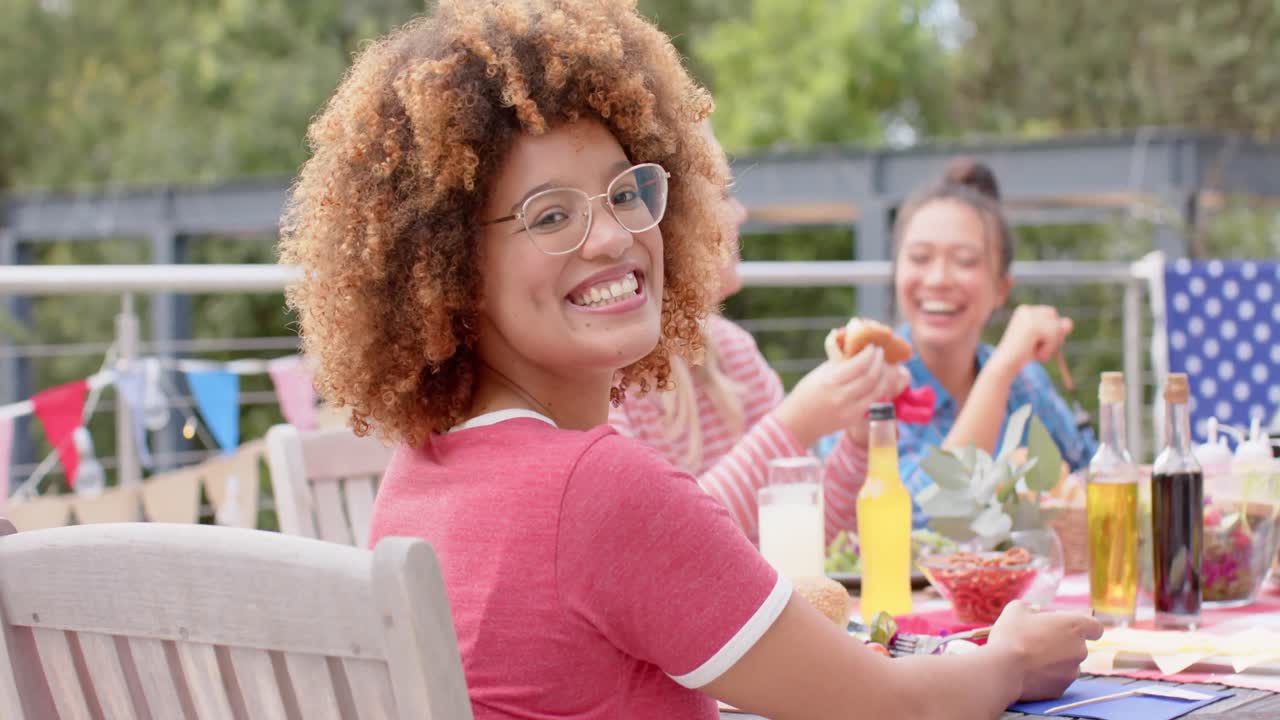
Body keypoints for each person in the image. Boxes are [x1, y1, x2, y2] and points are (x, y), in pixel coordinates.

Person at [280, 3, 1102, 718]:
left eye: (627, 192)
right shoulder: (598, 487)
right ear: (449, 267)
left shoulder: (419, 473)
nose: (612, 237)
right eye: (550, 214)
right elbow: (888, 705)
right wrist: (1015, 659)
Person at [609, 124, 907, 543]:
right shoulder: (609, 384)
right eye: (725, 196)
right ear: (669, 223)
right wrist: (794, 425)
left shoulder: (733, 349)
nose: (742, 214)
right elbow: (662, 543)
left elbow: (816, 532)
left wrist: (859, 440)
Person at [892, 159, 1100, 500]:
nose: (938, 279)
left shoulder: (1026, 382)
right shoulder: (869, 382)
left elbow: (1092, 474)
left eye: (965, 261)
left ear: (1001, 289)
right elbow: (922, 517)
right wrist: (1000, 371)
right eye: (919, 257)